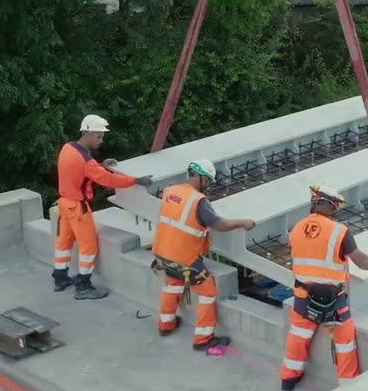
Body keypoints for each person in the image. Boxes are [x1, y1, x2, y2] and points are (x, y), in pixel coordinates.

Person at [279, 184, 368, 391]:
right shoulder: (339, 231)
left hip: (303, 296)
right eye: (335, 207)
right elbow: (359, 259)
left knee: (298, 335)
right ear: (330, 206)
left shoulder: (296, 228)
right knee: (344, 339)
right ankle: (347, 385)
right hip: (333, 299)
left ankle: (289, 378)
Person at [151, 159, 256, 350]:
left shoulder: (170, 191)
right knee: (207, 291)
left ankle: (165, 324)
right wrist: (243, 222)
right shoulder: (199, 201)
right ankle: (203, 339)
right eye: (207, 180)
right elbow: (218, 224)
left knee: (174, 283)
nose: (207, 185)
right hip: (184, 258)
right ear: (201, 178)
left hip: (162, 253)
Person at [52, 114, 153, 300]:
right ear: (87, 132)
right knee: (88, 246)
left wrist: (100, 165)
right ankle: (83, 286)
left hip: (64, 204)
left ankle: (60, 278)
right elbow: (107, 179)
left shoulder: (67, 148)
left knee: (63, 242)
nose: (101, 140)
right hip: (78, 208)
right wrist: (135, 180)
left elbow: (81, 170)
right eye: (98, 136)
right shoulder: (86, 161)